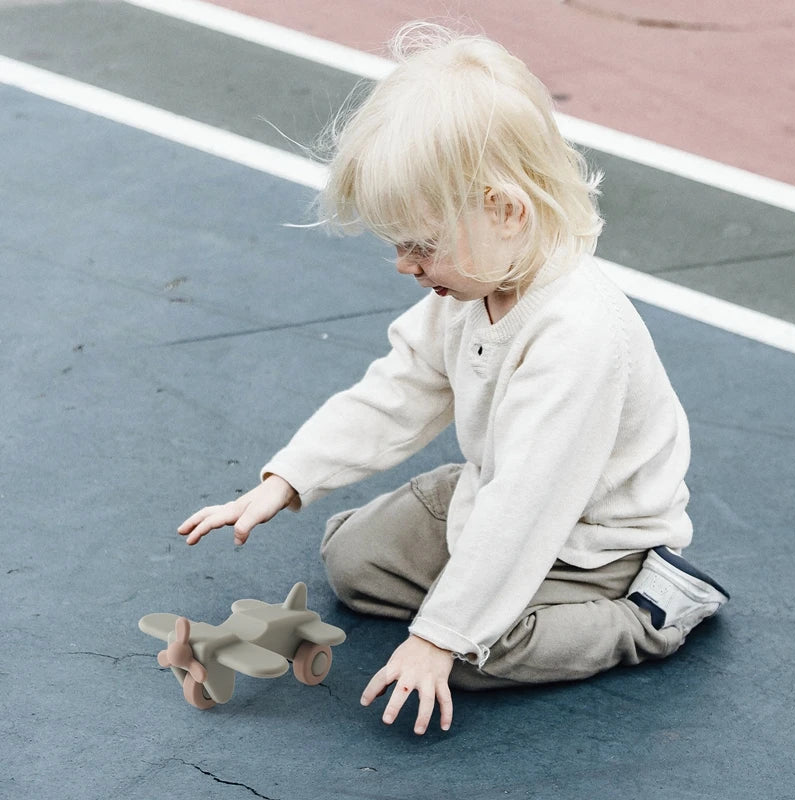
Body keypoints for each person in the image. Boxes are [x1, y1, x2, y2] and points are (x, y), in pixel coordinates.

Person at [178, 22, 729, 735]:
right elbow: (399, 389)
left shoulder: (578, 334)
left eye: (421, 244)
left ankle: (648, 614)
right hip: (493, 489)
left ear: (505, 211)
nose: (406, 264)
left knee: (477, 651)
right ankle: (469, 597)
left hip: (590, 539)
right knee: (352, 562)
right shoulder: (472, 286)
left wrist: (438, 638)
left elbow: (529, 505)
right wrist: (285, 480)